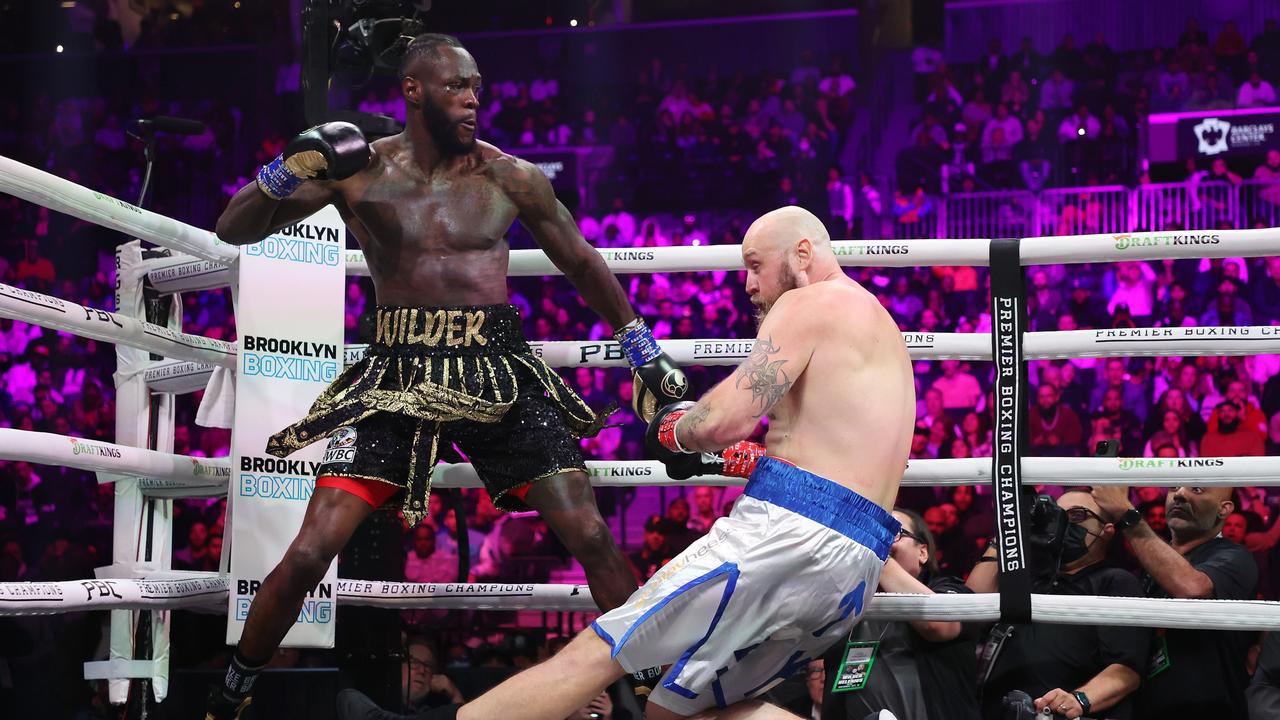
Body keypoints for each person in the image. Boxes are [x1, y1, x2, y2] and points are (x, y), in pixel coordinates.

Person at [206, 34, 689, 719]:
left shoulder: (510, 176)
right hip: (396, 373)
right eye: (458, 86)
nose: (472, 99)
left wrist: (641, 347)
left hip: (496, 369)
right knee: (313, 550)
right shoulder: (357, 171)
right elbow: (233, 228)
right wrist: (286, 169)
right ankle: (233, 690)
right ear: (414, 90)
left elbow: (580, 261)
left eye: (477, 89)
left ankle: (658, 685)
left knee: (588, 531)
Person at [449, 205, 915, 720]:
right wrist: (740, 457)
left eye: (755, 265)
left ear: (802, 253)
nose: (748, 285)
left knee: (598, 654)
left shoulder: (809, 301)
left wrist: (675, 427)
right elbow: (831, 459)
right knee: (674, 709)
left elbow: (722, 422)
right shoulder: (883, 328)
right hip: (856, 567)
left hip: (787, 537)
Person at [969, 490, 1149, 719]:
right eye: (1056, 516)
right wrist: (1009, 533)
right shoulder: (1025, 578)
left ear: (1107, 530)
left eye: (1076, 515)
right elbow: (969, 609)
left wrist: (1078, 699)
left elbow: (1127, 669)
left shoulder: (1114, 582)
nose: (1062, 524)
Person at [1092, 484, 1258, 720]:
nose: (1179, 494)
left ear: (1224, 508)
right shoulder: (1153, 565)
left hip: (1209, 712)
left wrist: (1126, 514)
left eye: (1198, 489)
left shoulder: (1235, 557)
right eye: (1172, 487)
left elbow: (1192, 588)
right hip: (1149, 708)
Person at [822, 509, 980, 720]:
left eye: (893, 532)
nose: (882, 538)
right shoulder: (845, 602)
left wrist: (877, 556)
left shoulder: (948, 589)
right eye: (877, 532)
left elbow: (937, 624)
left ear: (922, 552)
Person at [336, 635, 465, 719]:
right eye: (413, 662)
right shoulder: (366, 702)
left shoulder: (433, 709)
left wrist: (454, 694)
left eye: (428, 665)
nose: (422, 670)